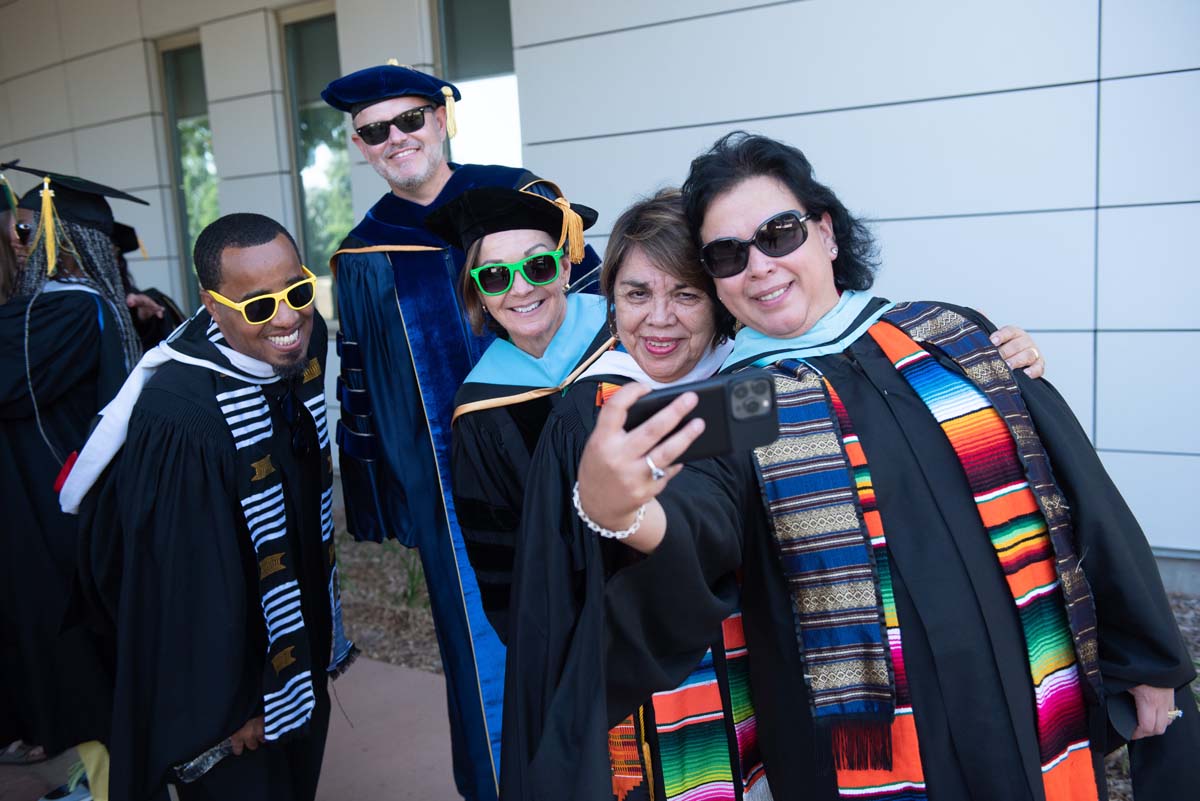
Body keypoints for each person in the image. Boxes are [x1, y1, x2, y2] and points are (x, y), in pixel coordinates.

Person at [573, 133, 1197, 800]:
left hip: (1017, 692)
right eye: (728, 254)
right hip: (852, 740)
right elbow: (700, 520)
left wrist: (1145, 654)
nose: (758, 266)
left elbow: (1077, 490)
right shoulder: (738, 402)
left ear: (827, 233)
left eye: (778, 234)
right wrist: (620, 508)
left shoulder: (945, 336)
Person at [321, 62, 598, 800]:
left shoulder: (523, 194)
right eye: (374, 131)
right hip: (453, 496)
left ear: (441, 118)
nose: (396, 138)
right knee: (486, 656)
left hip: (579, 458)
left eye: (409, 119)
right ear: (360, 145)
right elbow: (361, 386)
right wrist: (387, 502)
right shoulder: (363, 253)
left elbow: (602, 306)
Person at [59, 213, 356, 801]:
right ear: (212, 306)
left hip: (301, 633)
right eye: (257, 304)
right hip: (232, 690)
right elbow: (186, 588)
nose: (288, 318)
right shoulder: (181, 413)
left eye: (297, 291)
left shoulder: (302, 340)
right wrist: (237, 707)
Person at [0, 168, 145, 793]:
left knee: (80, 673)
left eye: (29, 229)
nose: (19, 241)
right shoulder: (81, 307)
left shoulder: (66, 309)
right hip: (62, 517)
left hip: (59, 523)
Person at [428, 182, 612, 644]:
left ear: (566, 266)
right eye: (494, 276)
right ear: (478, 294)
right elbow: (503, 566)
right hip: (576, 633)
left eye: (538, 264)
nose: (521, 287)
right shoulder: (480, 410)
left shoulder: (631, 336)